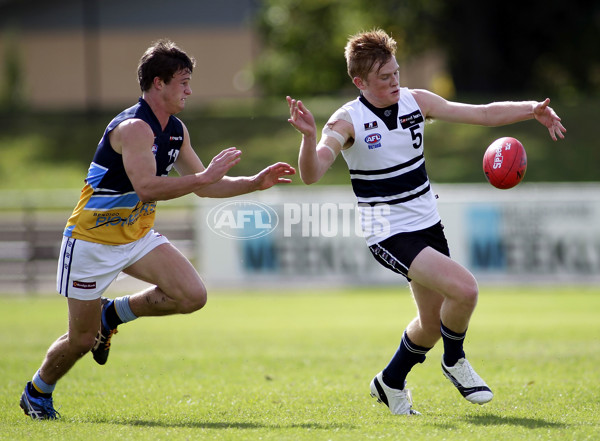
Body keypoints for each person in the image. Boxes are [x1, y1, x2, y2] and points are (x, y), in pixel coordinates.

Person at [287, 29, 565, 415]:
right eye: (384, 78)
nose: (394, 82)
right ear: (359, 81)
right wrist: (308, 137)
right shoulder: (347, 120)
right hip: (387, 229)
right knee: (465, 290)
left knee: (432, 325)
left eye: (396, 73)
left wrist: (531, 108)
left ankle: (390, 382)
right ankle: (455, 361)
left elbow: (481, 114)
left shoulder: (416, 101)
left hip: (427, 223)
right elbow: (312, 172)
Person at [19, 39, 296, 420]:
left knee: (192, 295)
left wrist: (254, 182)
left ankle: (111, 315)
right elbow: (147, 186)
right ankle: (38, 391)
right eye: (182, 82)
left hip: (136, 237)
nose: (189, 90)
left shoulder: (176, 129)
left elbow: (204, 185)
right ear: (157, 83)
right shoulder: (134, 128)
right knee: (81, 341)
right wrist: (204, 175)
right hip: (91, 241)